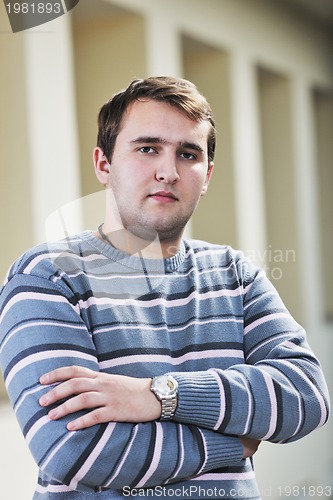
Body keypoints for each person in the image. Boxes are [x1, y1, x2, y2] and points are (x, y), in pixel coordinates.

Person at [0, 76, 329, 500]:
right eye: (147, 148)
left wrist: (160, 396)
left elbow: (305, 396)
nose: (168, 172)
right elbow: (75, 450)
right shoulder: (48, 277)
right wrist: (231, 443)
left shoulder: (236, 275)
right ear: (103, 164)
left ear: (207, 175)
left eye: (187, 154)